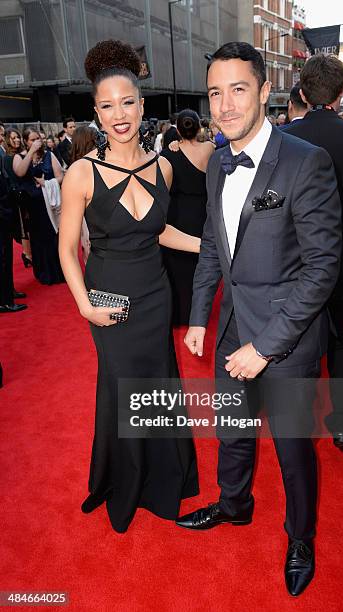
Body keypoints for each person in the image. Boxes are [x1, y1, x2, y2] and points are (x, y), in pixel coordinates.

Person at [175, 42, 341, 597]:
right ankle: (234, 503)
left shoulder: (305, 161)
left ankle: (300, 537)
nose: (224, 105)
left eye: (238, 89)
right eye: (215, 92)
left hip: (285, 342)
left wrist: (265, 346)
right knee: (233, 432)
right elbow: (214, 250)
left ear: (266, 91)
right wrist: (200, 315)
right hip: (231, 330)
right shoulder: (218, 160)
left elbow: (322, 269)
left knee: (293, 448)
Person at [59, 40, 199, 534]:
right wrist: (83, 307)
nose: (118, 114)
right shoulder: (82, 172)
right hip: (109, 302)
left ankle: (163, 480)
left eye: (127, 102)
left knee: (158, 384)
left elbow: (159, 231)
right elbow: (66, 248)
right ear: (95, 112)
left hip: (156, 295)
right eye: (106, 105)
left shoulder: (162, 166)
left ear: (142, 105)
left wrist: (208, 247)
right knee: (123, 387)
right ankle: (124, 481)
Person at [284, 54, 343, 451]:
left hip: (291, 259)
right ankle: (341, 424)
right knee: (341, 338)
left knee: (292, 337)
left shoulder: (285, 139)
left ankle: (294, 423)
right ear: (340, 93)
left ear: (301, 92)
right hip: (342, 259)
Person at [161, 109, 214, 324]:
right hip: (203, 214)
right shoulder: (210, 148)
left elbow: (161, 191)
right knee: (199, 265)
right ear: (198, 127)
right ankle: (198, 313)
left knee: (177, 265)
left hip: (178, 215)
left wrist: (174, 146)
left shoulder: (169, 154)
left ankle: (179, 313)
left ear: (178, 129)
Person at [13, 128, 65, 285]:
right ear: (26, 141)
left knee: (53, 237)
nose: (36, 142)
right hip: (32, 207)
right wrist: (30, 152)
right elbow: (20, 172)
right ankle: (43, 273)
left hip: (49, 204)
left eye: (37, 138)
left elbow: (60, 176)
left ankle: (58, 272)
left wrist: (47, 183)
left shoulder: (49, 155)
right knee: (38, 239)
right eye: (32, 139)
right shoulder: (19, 157)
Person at [0, 154, 27, 313]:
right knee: (3, 258)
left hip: (5, 216)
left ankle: (8, 292)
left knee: (6, 257)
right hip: (3, 216)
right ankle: (5, 301)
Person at [4, 129, 33, 269]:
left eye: (18, 137)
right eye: (13, 137)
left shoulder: (7, 156)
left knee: (24, 226)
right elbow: (20, 173)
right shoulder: (14, 157)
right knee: (25, 226)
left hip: (16, 195)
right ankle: (28, 254)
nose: (17, 140)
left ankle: (27, 253)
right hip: (20, 195)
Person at [69, 126, 97, 264]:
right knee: (89, 250)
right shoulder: (80, 170)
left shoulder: (75, 167)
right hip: (89, 220)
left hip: (88, 220)